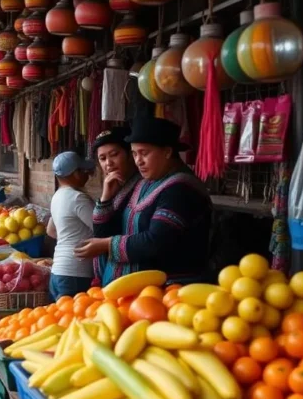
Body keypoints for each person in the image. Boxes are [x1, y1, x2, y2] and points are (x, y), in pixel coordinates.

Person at [76, 117, 213, 287]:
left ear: (167, 152)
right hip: (145, 290)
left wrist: (108, 245)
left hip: (174, 288)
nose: (138, 160)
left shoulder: (180, 188)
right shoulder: (146, 182)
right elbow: (106, 232)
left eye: (144, 153)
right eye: (134, 153)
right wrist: (105, 200)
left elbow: (156, 241)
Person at [87, 127, 140, 286]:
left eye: (114, 155)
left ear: (130, 155)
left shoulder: (143, 185)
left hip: (135, 277)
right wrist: (105, 198)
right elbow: (101, 235)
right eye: (102, 158)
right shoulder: (114, 187)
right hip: (112, 274)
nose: (108, 163)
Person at [47, 151, 96, 300]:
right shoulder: (78, 198)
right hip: (75, 274)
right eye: (84, 171)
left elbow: (51, 230)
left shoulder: (57, 196)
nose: (88, 175)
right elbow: (101, 229)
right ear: (75, 174)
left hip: (57, 273)